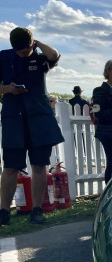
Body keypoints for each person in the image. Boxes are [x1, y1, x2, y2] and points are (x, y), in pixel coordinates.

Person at [0, 27, 64, 225]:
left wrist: (37, 45)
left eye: (26, 49)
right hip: (14, 119)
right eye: (19, 51)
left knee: (39, 165)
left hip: (39, 119)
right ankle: (3, 211)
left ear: (32, 44)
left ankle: (37, 209)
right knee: (10, 167)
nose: (23, 54)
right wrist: (7, 89)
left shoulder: (40, 58)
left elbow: (54, 55)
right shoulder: (3, 58)